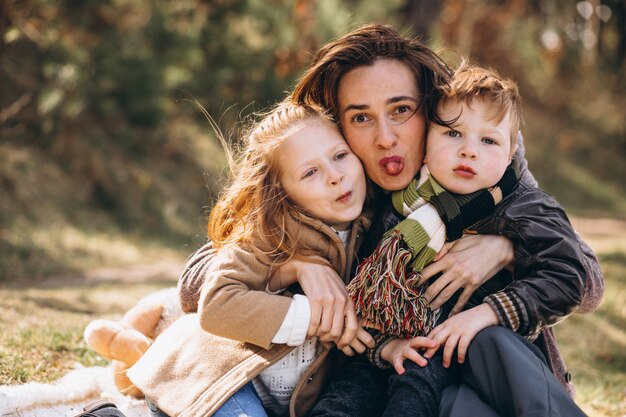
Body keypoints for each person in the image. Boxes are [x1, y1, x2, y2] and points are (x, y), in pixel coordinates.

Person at [177, 24, 603, 416]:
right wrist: (297, 263)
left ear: (434, 108)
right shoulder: (337, 179)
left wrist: (504, 248)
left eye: (401, 110)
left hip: (488, 372)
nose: (385, 138)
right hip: (384, 370)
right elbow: (197, 283)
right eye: (360, 118)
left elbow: (587, 282)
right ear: (338, 125)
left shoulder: (486, 162)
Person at [313, 62, 588, 417]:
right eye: (453, 134)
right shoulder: (397, 210)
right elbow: (367, 293)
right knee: (351, 397)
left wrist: (489, 310)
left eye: (488, 140)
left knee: (425, 388)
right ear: (426, 141)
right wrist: (385, 344)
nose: (469, 150)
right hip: (406, 351)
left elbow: (569, 277)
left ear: (509, 156)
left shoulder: (524, 206)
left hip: (484, 356)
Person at [126, 101, 376, 417]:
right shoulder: (267, 233)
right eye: (310, 172)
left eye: (340, 156)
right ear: (281, 190)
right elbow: (218, 304)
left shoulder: (373, 231)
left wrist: (386, 347)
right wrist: (315, 317)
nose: (335, 176)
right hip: (211, 380)